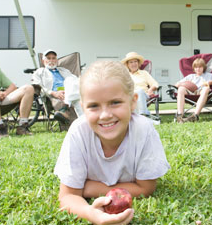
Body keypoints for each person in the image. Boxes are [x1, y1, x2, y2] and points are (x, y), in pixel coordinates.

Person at [54, 60, 170, 225]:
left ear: (132, 102)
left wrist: (87, 188)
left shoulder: (143, 129)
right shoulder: (78, 132)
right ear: (82, 107)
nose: (105, 115)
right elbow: (68, 196)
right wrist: (91, 214)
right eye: (94, 106)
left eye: (115, 103)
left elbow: (146, 188)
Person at [32, 49, 81, 128]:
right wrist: (52, 93)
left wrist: (68, 91)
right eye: (48, 58)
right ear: (43, 61)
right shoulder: (40, 72)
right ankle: (83, 123)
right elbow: (38, 87)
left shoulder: (64, 70)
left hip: (69, 91)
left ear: (57, 60)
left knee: (72, 80)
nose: (51, 60)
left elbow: (75, 82)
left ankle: (65, 109)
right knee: (78, 99)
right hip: (54, 95)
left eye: (53, 58)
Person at [175, 58, 212, 123]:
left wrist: (210, 82)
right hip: (190, 92)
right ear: (194, 68)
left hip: (201, 92)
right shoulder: (191, 76)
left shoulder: (208, 75)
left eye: (200, 67)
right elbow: (176, 84)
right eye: (196, 67)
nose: (198, 69)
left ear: (203, 67)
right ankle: (180, 115)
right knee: (181, 89)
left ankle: (195, 115)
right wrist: (185, 84)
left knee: (206, 88)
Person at [121, 52, 158, 118]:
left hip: (144, 95)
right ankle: (143, 116)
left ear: (138, 63)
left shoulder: (144, 73)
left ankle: (143, 115)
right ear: (127, 65)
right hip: (130, 96)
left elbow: (155, 84)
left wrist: (151, 89)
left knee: (139, 91)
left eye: (135, 61)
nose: (134, 64)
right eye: (131, 62)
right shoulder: (125, 75)